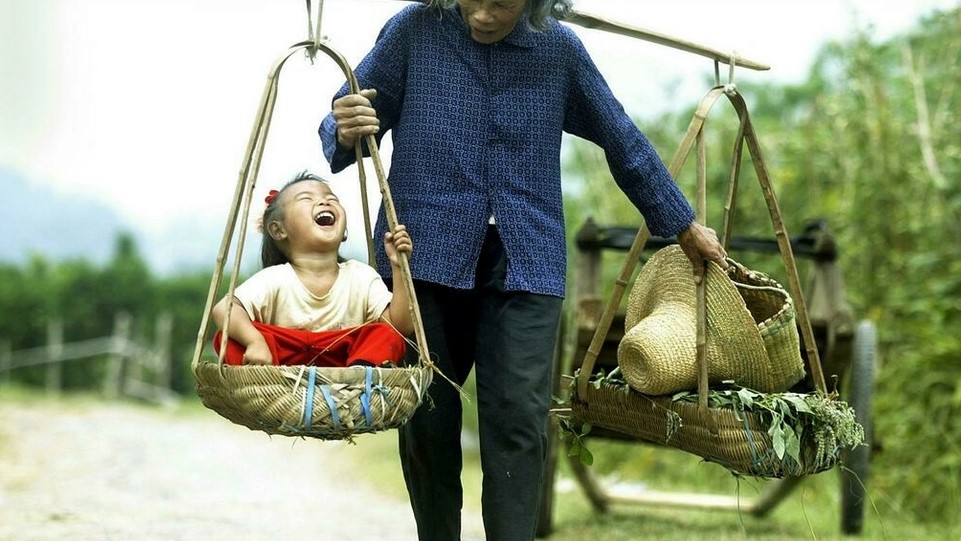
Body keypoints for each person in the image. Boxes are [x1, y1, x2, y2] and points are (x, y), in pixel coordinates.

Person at [318, 1, 729, 539]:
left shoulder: (559, 50)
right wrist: (345, 125)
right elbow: (346, 114)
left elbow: (621, 138)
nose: (483, 14)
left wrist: (681, 224)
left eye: (502, 2)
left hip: (525, 259)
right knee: (428, 417)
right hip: (421, 258)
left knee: (519, 421)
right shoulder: (414, 31)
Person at [211, 171, 413, 368]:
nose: (325, 202)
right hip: (280, 365)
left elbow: (399, 327)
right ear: (278, 230)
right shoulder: (275, 278)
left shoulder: (360, 276)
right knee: (228, 337)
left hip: (347, 362)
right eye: (306, 198)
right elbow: (225, 309)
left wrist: (398, 266)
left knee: (386, 334)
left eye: (331, 198)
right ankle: (260, 379)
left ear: (344, 232)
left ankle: (361, 377)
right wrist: (256, 342)